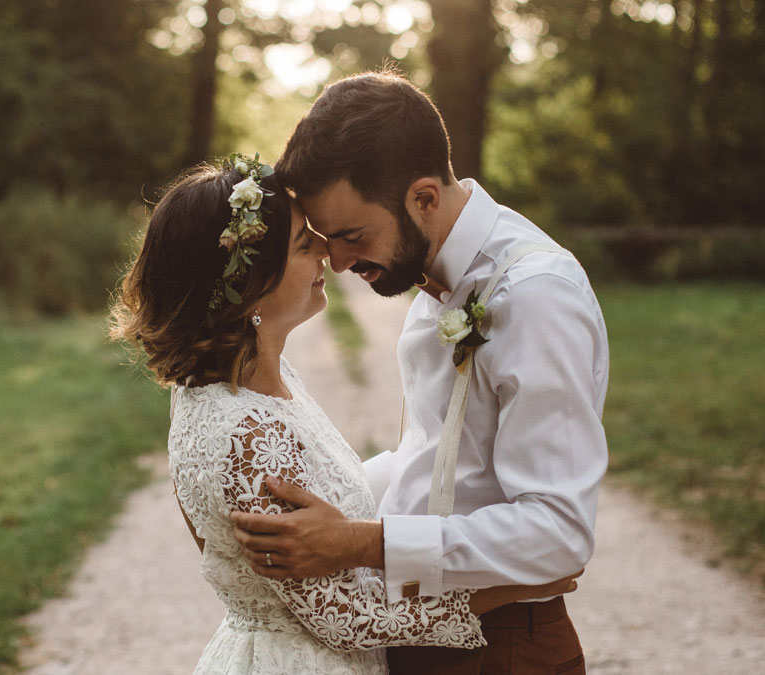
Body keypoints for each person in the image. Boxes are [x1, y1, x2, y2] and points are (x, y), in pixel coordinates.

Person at [109, 154, 581, 675]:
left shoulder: (241, 384)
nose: (328, 258)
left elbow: (329, 486)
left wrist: (356, 533)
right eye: (305, 244)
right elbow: (348, 620)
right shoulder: (251, 432)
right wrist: (511, 589)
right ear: (249, 288)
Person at [230, 71, 610, 675]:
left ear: (425, 198)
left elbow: (559, 533)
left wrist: (360, 542)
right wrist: (313, 486)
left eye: (353, 236)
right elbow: (433, 459)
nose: (339, 261)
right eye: (328, 239)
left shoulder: (536, 296)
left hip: (500, 646)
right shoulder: (426, 274)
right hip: (418, 632)